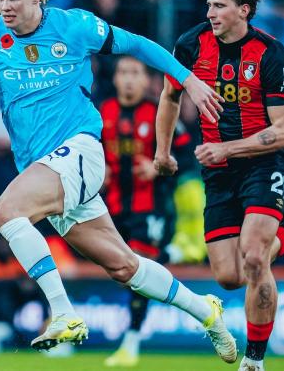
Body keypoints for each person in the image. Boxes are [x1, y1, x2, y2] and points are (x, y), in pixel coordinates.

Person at [0, 0, 237, 362]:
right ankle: (206, 312)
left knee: (5, 212)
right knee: (124, 266)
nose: (5, 7)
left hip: (81, 151)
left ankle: (63, 313)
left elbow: (138, 45)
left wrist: (190, 80)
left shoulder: (74, 27)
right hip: (43, 168)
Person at [154, 0, 284, 371]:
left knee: (256, 258)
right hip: (218, 172)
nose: (209, 12)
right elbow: (170, 96)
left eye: (219, 5)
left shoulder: (271, 54)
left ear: (245, 10)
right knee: (229, 276)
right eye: (208, 4)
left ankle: (254, 362)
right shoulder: (191, 44)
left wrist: (225, 146)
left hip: (263, 163)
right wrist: (163, 151)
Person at [100, 56, 191, 367]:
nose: (128, 79)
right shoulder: (102, 112)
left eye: (134, 73)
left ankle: (131, 342)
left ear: (146, 81)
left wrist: (159, 167)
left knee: (139, 269)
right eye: (123, 72)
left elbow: (189, 157)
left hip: (149, 209)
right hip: (110, 210)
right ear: (115, 79)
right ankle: (170, 257)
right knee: (123, 272)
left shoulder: (159, 112)